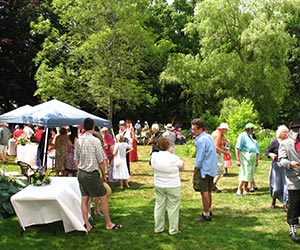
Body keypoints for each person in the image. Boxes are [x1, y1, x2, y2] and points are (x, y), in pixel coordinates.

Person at [74, 117, 122, 233]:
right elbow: (101, 160)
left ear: (84, 127)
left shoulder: (79, 140)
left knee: (84, 199)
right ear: (94, 127)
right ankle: (108, 224)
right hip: (91, 173)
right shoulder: (95, 141)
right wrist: (104, 174)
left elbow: (76, 160)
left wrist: (80, 169)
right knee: (103, 197)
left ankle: (87, 224)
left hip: (81, 173)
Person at [151, 136, 184, 235]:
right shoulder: (173, 157)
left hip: (159, 184)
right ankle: (173, 229)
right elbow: (182, 166)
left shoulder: (154, 156)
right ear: (168, 145)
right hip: (173, 185)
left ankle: (158, 228)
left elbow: (152, 165)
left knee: (159, 206)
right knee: (173, 207)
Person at [191, 118, 217, 222]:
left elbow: (200, 157)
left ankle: (206, 214)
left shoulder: (201, 140)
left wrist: (195, 169)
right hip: (211, 169)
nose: (192, 131)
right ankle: (209, 210)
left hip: (204, 170)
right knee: (209, 190)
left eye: (194, 129)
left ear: (201, 129)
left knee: (204, 191)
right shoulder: (209, 137)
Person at [278, 118, 300, 242]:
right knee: (293, 204)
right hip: (293, 179)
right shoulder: (285, 144)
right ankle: (292, 228)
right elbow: (282, 160)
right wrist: (290, 163)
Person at [265, 125, 289, 212]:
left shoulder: (289, 142)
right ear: (279, 133)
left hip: (286, 166)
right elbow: (267, 152)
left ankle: (285, 204)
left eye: (287, 132)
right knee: (276, 186)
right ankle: (274, 199)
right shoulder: (275, 142)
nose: (286, 134)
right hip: (276, 166)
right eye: (284, 132)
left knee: (286, 185)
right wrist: (271, 155)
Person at [235, 123, 260, 196]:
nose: (253, 130)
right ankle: (239, 189)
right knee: (245, 173)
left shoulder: (251, 136)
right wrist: (238, 159)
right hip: (245, 156)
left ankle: (245, 190)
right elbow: (237, 148)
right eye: (252, 129)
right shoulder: (242, 135)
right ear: (248, 129)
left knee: (249, 174)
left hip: (251, 158)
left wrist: (256, 160)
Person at [211, 123, 230, 193]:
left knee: (215, 171)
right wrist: (225, 152)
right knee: (220, 171)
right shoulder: (218, 135)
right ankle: (212, 185)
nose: (226, 131)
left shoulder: (216, 133)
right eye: (226, 130)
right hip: (217, 155)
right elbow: (216, 147)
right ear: (222, 129)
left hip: (213, 154)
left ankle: (212, 185)